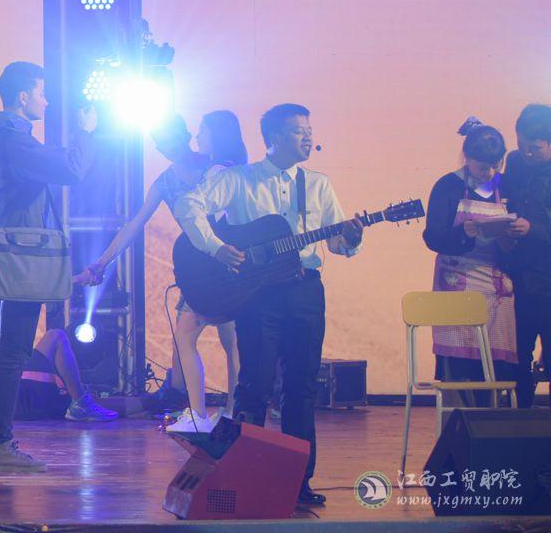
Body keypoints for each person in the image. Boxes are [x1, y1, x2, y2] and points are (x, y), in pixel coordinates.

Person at [176, 103, 363, 507]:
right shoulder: (239, 179)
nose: (308, 137)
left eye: (310, 130)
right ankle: (244, 476)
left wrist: (351, 238)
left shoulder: (318, 184)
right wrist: (215, 247)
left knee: (302, 386)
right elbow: (188, 205)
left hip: (305, 291)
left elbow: (336, 242)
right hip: (258, 295)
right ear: (273, 138)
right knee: (255, 385)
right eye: (298, 131)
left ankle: (299, 482)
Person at [77, 111, 248, 433]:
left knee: (225, 338)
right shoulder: (166, 181)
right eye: (158, 142)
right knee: (197, 336)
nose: (163, 146)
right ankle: (209, 413)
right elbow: (134, 225)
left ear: (185, 136)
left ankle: (222, 414)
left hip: (221, 261)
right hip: (200, 268)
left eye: (167, 139)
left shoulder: (216, 167)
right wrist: (103, 262)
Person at [0, 61, 95, 473]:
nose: (46, 100)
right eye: (41, 92)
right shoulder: (14, 141)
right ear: (23, 97)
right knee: (11, 354)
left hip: (9, 255)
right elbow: (71, 169)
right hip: (20, 258)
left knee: (2, 353)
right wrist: (86, 132)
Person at [420, 117, 522, 405]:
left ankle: (493, 420)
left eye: (494, 166)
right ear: (466, 158)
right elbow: (433, 237)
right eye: (480, 167)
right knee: (460, 364)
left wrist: (512, 236)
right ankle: (459, 422)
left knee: (495, 364)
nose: (488, 172)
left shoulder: (506, 186)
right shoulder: (448, 186)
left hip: (496, 284)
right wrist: (463, 233)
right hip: (457, 281)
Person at [0, 272, 119, 425]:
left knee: (95, 400)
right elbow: (35, 298)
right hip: (19, 402)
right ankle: (81, 404)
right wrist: (79, 279)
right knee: (56, 337)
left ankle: (82, 401)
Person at [497, 103, 551, 407]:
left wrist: (533, 228)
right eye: (522, 144)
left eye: (536, 148)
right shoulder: (515, 162)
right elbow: (507, 199)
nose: (527, 153)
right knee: (518, 351)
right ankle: (521, 417)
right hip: (519, 274)